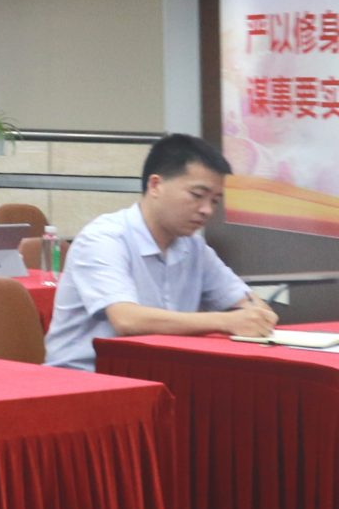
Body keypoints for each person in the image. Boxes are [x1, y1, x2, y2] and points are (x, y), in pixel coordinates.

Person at [45, 133, 274, 371]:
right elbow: (126, 319)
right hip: (87, 378)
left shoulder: (194, 247)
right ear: (155, 185)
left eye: (215, 201)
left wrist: (256, 315)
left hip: (160, 374)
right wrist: (224, 321)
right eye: (197, 195)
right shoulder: (104, 238)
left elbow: (246, 302)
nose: (207, 210)